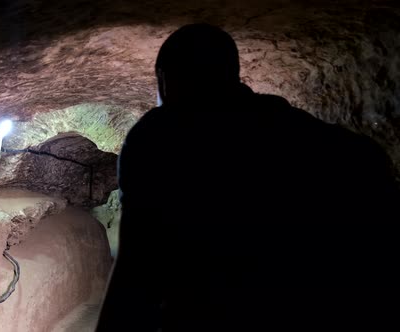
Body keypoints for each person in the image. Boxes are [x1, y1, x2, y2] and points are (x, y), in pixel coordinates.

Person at [97, 23, 400, 331]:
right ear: (232, 73)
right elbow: (369, 164)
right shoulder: (295, 131)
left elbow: (137, 268)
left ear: (164, 80)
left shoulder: (158, 138)